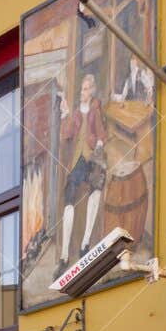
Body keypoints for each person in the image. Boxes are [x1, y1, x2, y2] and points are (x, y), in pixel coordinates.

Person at [58, 72, 107, 268]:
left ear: (92, 91)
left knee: (96, 190)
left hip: (92, 157)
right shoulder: (77, 113)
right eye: (81, 89)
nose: (82, 93)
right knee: (69, 200)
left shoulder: (96, 110)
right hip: (78, 161)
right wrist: (65, 113)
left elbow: (102, 134)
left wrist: (99, 146)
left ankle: (85, 243)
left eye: (86, 89)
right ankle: (64, 255)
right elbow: (66, 133)